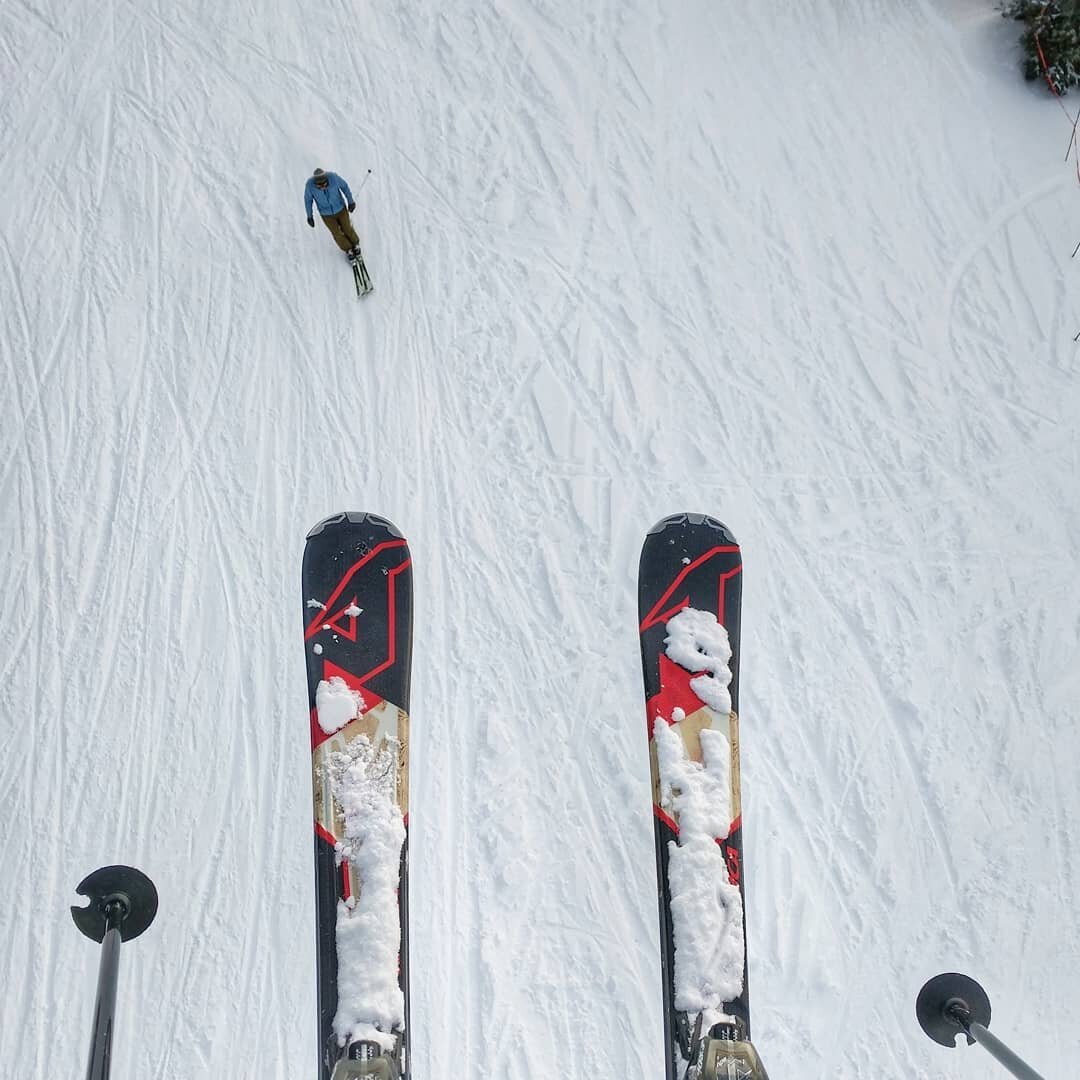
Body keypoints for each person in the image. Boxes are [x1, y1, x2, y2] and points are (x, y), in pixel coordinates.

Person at [305, 167, 361, 257]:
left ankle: (355, 243)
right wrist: (309, 216)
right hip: (326, 214)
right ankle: (348, 248)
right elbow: (308, 200)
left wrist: (350, 201)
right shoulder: (310, 186)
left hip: (340, 209)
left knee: (347, 228)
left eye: (324, 184)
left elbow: (344, 187)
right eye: (319, 186)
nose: (323, 187)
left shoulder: (333, 178)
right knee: (336, 233)